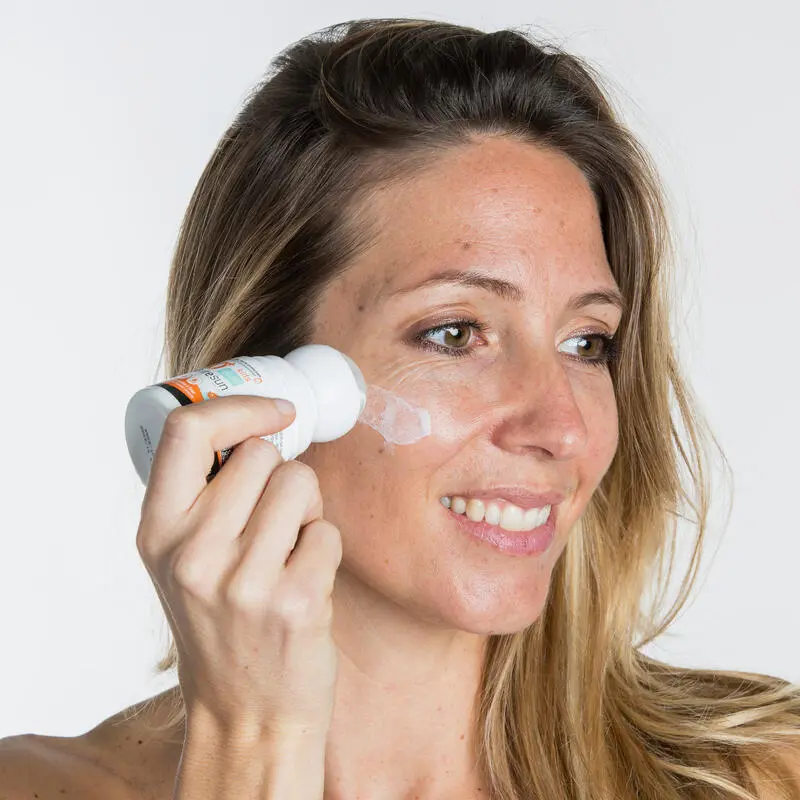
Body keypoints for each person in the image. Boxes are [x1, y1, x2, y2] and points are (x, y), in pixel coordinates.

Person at [2, 17, 799, 800]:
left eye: (586, 343)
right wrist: (251, 745)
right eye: (455, 334)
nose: (562, 428)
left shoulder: (764, 777)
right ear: (261, 386)